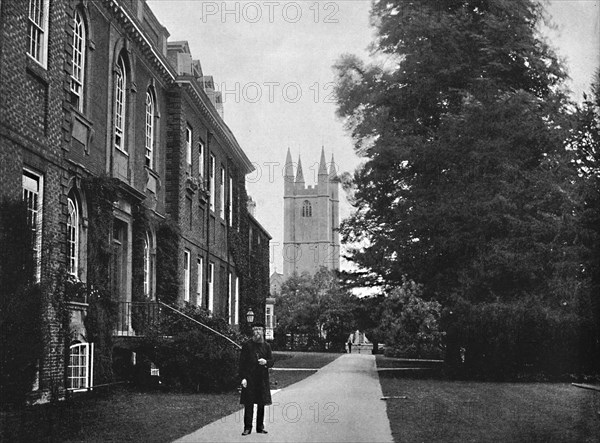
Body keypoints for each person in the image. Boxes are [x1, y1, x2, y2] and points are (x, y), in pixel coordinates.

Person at [239, 322, 274, 436]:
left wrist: (266, 362)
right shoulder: (247, 345)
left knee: (261, 403)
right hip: (249, 378)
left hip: (262, 379)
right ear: (253, 331)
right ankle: (247, 427)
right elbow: (242, 363)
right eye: (255, 329)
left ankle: (260, 427)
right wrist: (243, 378)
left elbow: (271, 361)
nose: (257, 332)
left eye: (259, 329)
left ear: (263, 331)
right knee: (248, 403)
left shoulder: (266, 346)